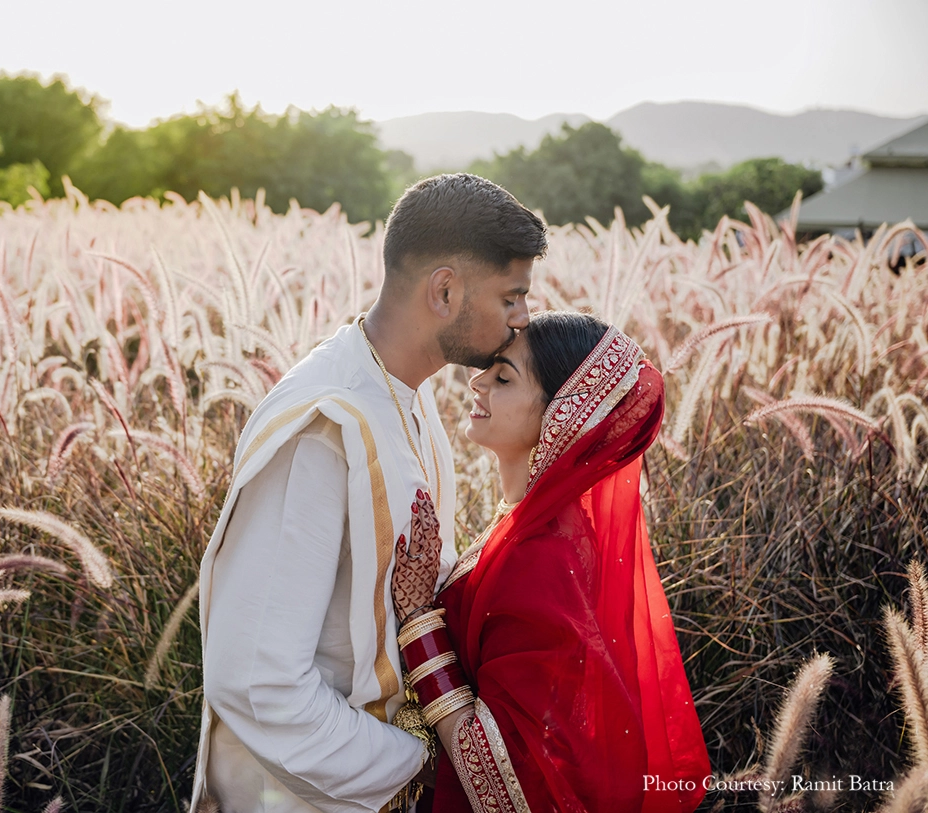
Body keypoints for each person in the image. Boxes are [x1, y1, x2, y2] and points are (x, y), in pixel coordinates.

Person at [190, 174, 548, 813]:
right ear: (445, 290)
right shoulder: (323, 429)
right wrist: (424, 762)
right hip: (300, 797)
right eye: (511, 296)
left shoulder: (408, 394)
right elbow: (256, 683)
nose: (523, 316)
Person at [390, 311, 710, 813]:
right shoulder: (540, 525)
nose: (476, 382)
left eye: (503, 378)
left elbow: (500, 773)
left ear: (560, 418)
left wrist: (417, 622)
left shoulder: (538, 559)